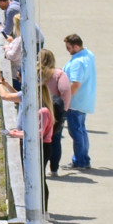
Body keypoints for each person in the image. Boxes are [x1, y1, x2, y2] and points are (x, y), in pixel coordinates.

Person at [62, 33, 97, 170]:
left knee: (76, 132)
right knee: (81, 131)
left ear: (76, 46)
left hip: (75, 103)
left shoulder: (77, 63)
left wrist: (66, 99)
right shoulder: (88, 54)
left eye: (69, 48)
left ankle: (80, 161)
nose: (68, 50)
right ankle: (84, 159)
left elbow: (75, 84)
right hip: (85, 100)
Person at [40, 45, 69, 175]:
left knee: (40, 138)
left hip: (39, 109)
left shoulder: (34, 72)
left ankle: (40, 166)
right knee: (55, 139)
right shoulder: (59, 74)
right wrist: (65, 109)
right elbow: (65, 91)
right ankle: (54, 169)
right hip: (55, 110)